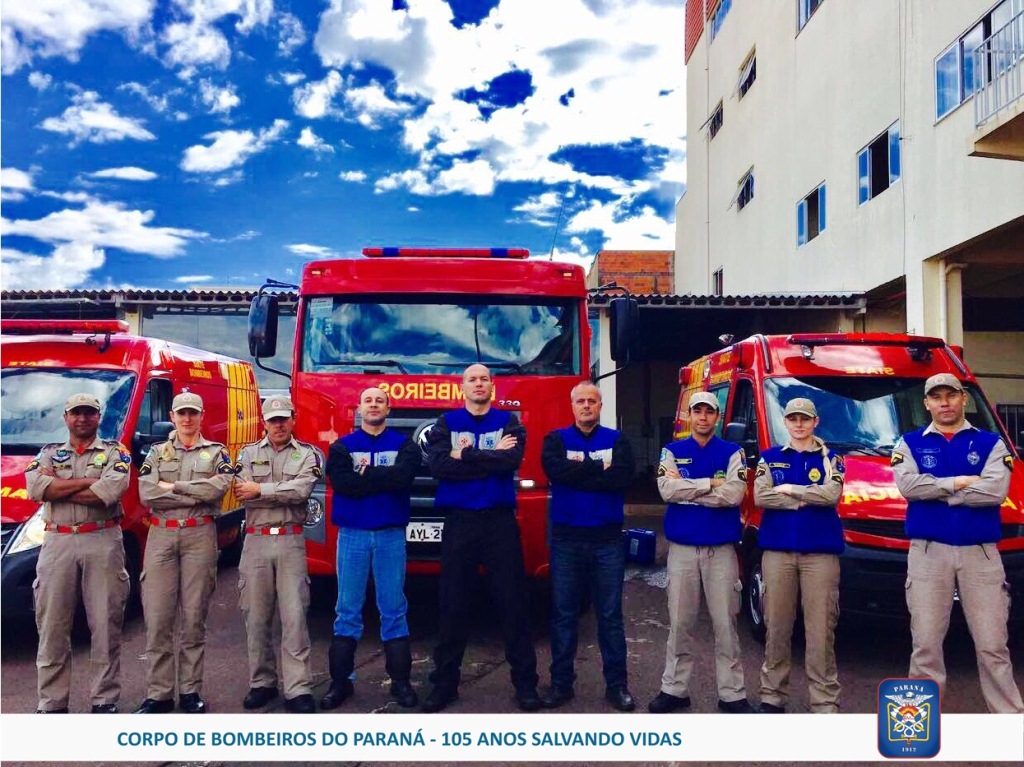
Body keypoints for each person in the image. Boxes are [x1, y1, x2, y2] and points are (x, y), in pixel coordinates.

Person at [892, 373, 1024, 713]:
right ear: (926, 403)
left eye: (951, 395)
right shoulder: (909, 443)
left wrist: (939, 491)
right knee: (925, 645)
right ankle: (919, 725)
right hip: (927, 553)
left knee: (993, 645)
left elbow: (995, 492)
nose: (944, 403)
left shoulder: (991, 443)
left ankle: (1010, 721)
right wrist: (960, 483)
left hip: (980, 554)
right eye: (936, 397)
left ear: (964, 398)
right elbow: (909, 487)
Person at [420, 364, 542, 713]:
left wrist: (466, 454)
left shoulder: (508, 422)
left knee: (513, 603)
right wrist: (491, 457)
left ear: (492, 386)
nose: (478, 384)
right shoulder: (446, 423)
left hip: (498, 523)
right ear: (463, 387)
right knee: (453, 604)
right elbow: (439, 466)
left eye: (483, 379)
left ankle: (526, 686)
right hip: (459, 522)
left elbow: (511, 461)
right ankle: (444, 685)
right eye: (472, 379)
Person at [24, 393, 131, 714]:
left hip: (102, 540)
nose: (82, 418)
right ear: (66, 417)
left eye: (89, 413)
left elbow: (109, 492)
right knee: (52, 625)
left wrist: (58, 488)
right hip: (58, 542)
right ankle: (52, 702)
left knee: (105, 623)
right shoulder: (48, 453)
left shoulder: (115, 452)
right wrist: (88, 482)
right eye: (76, 413)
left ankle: (104, 699)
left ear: (99, 417)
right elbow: (35, 488)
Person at [649, 391, 753, 714]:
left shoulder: (733, 452)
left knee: (726, 625)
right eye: (698, 411)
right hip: (682, 551)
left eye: (709, 412)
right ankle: (674, 689)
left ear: (717, 417)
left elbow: (734, 494)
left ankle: (732, 694)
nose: (703, 417)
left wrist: (690, 490)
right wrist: (711, 483)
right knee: (680, 624)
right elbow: (667, 491)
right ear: (689, 415)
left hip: (721, 551)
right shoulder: (672, 451)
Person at [322, 387, 421, 710]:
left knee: (394, 609)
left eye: (380, 401)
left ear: (388, 409)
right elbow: (344, 483)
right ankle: (341, 682)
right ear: (359, 409)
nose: (374, 405)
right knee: (347, 610)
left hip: (391, 535)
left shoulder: (405, 445)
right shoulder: (342, 447)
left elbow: (403, 478)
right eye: (368, 401)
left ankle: (401, 683)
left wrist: (365, 475)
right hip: (353, 536)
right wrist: (384, 478)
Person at [540, 382, 636, 711]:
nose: (585, 406)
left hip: (607, 540)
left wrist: (577, 473)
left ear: (600, 406)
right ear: (572, 406)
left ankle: (617, 686)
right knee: (563, 615)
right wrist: (597, 468)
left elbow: (621, 478)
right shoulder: (555, 440)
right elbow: (556, 471)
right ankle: (560, 685)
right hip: (566, 539)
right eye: (580, 401)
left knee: (610, 616)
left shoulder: (618, 440)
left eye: (591, 401)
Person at [134, 391, 233, 714]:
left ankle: (190, 691)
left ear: (202, 416)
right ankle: (159, 695)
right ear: (172, 417)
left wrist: (173, 486)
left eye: (193, 413)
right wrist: (196, 492)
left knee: (193, 617)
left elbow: (218, 489)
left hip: (199, 535)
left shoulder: (216, 452)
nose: (187, 419)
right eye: (181, 413)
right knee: (158, 618)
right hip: (161, 535)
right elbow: (147, 494)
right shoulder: (156, 453)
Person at [753, 397, 844, 714]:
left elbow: (831, 494)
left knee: (821, 632)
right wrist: (804, 500)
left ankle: (824, 701)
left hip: (820, 555)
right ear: (785, 422)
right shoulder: (770, 458)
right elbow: (761, 495)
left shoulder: (832, 458)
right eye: (793, 418)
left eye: (805, 418)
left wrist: (790, 490)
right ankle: (772, 696)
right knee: (776, 628)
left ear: (815, 422)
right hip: (777, 553)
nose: (799, 424)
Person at [234, 395, 323, 714]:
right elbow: (242, 492)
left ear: (293, 420)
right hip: (256, 541)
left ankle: (298, 688)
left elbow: (302, 491)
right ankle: (262, 682)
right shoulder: (247, 454)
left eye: (284, 419)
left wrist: (262, 489)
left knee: (294, 616)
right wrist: (276, 491)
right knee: (256, 616)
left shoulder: (308, 454)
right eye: (273, 420)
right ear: (264, 422)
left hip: (290, 541)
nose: (279, 425)